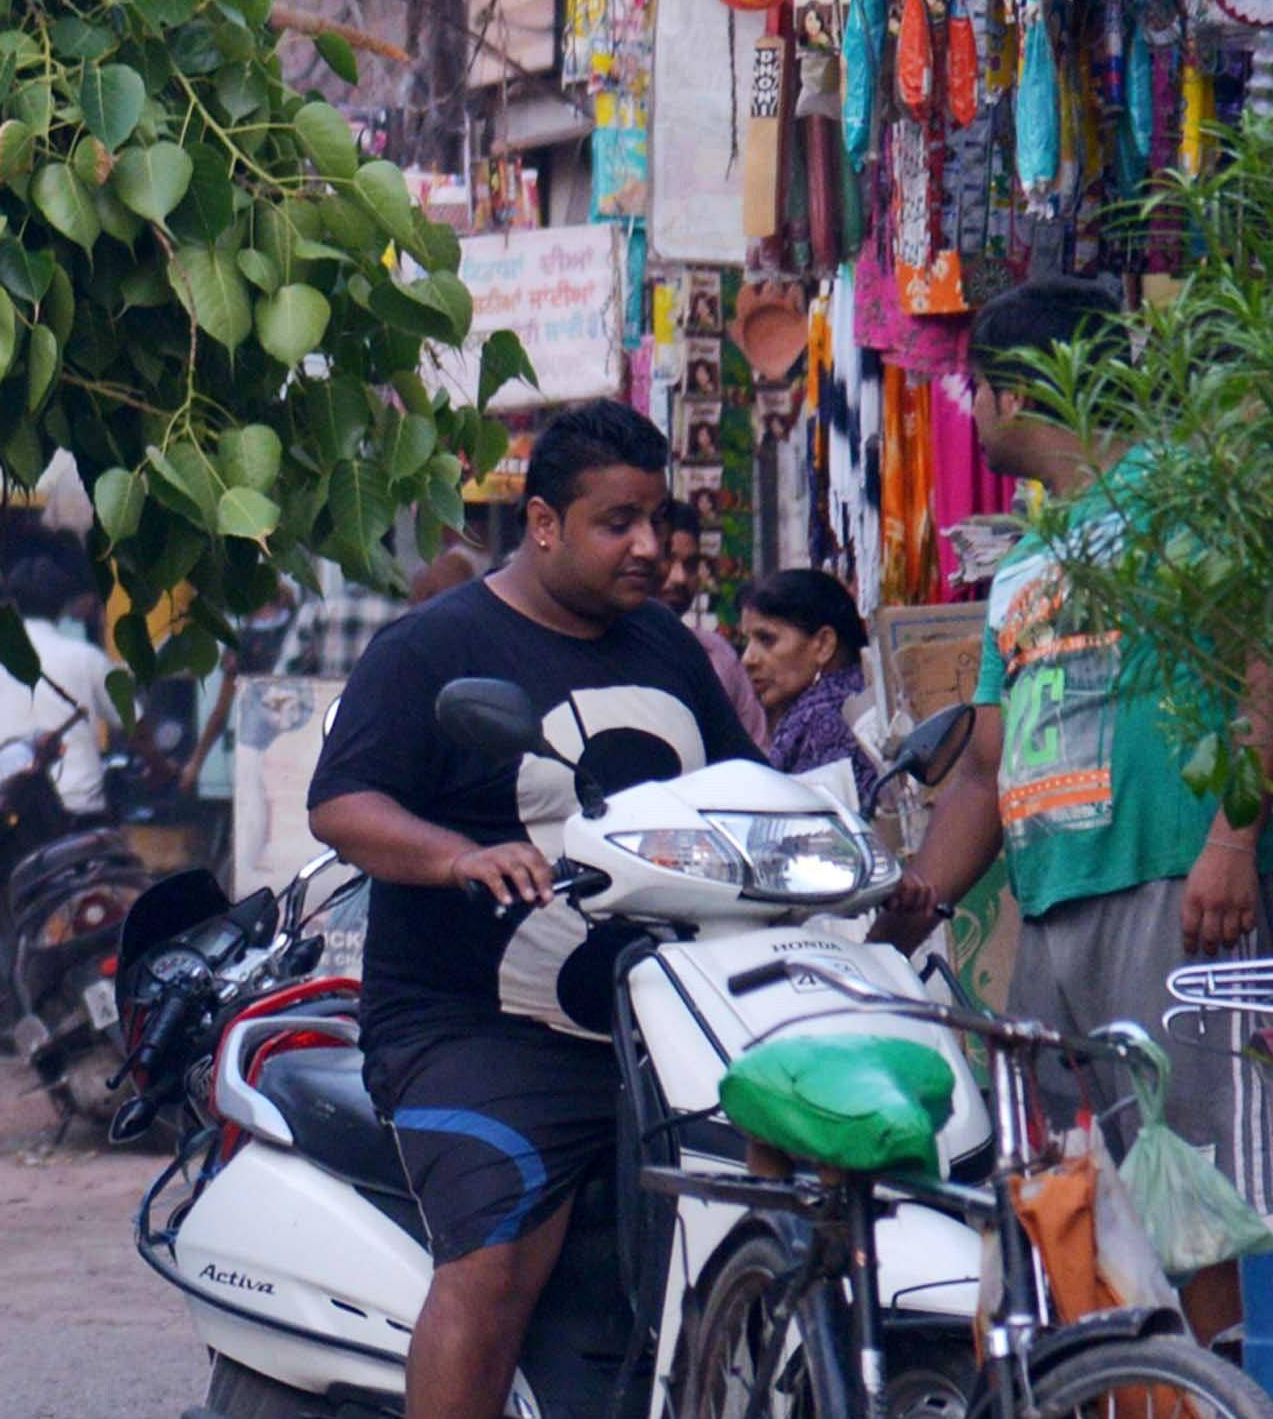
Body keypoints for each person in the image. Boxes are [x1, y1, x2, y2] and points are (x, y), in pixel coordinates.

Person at [307, 399, 762, 1419]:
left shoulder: (669, 649)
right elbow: (342, 804)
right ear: (544, 523)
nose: (648, 546)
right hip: (476, 1026)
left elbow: (746, 793)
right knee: (499, 1253)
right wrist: (457, 857)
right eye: (618, 523)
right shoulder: (432, 646)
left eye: (657, 520)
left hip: (669, 1026)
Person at [883, 276, 1273, 1331]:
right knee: (1083, 1203)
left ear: (1016, 392)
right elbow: (983, 769)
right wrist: (912, 895)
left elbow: (1260, 655)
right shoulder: (1023, 565)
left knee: (1204, 1196)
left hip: (1176, 885)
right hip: (1055, 909)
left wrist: (1231, 839)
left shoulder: (1189, 496)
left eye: (977, 391)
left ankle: (1222, 1393)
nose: (976, 414)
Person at [0, 551, 116, 819]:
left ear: (11, 602)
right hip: (80, 808)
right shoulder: (88, 658)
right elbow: (133, 721)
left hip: (6, 805)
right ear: (62, 606)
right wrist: (159, 764)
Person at [736, 568, 876, 790]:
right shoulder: (864, 696)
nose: (748, 659)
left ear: (823, 645)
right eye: (747, 642)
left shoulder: (820, 720)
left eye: (766, 639)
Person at [655, 496, 774, 751]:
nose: (679, 578)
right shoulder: (603, 653)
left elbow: (756, 762)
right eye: (667, 559)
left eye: (690, 564)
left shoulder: (717, 656)